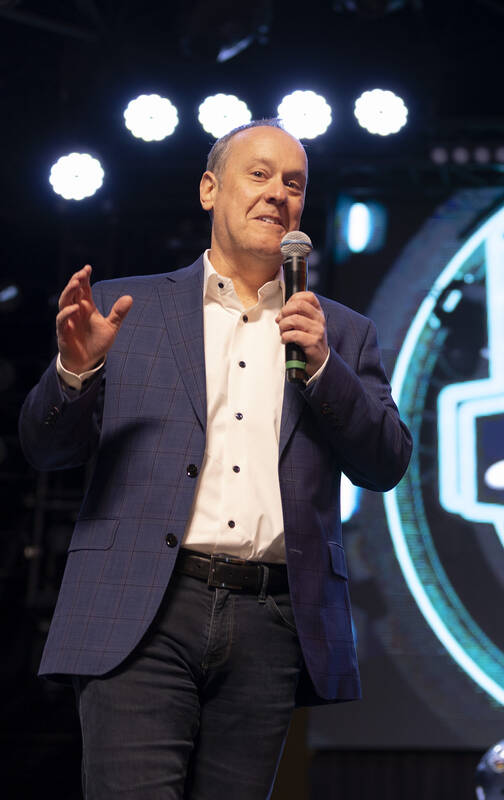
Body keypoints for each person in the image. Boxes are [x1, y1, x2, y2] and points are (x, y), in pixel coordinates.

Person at [19, 119, 412, 799]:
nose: (277, 195)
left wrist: (323, 369)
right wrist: (74, 374)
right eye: (258, 175)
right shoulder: (124, 307)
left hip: (272, 618)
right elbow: (45, 449)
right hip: (143, 609)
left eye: (294, 184)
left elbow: (387, 462)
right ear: (210, 189)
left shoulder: (341, 331)